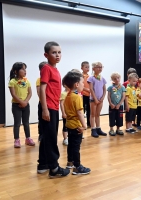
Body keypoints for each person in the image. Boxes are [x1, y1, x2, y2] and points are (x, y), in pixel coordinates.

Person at [37, 41, 70, 178]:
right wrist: (45, 109)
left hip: (53, 106)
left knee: (46, 137)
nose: (57, 55)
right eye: (54, 52)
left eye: (59, 52)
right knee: (51, 138)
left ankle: (43, 164)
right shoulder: (46, 68)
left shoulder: (55, 69)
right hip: (49, 107)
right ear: (46, 54)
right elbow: (42, 89)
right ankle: (54, 169)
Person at [62, 71, 91, 175]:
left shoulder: (68, 96)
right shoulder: (77, 97)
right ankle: (77, 167)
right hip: (76, 126)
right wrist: (84, 125)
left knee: (71, 145)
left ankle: (70, 162)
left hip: (69, 124)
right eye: (83, 82)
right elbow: (79, 112)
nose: (84, 84)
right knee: (76, 147)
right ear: (76, 84)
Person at [8, 62, 35, 148]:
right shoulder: (12, 81)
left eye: (25, 69)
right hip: (16, 106)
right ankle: (17, 139)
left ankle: (28, 138)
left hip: (26, 105)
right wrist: (21, 102)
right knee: (17, 123)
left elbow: (30, 93)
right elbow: (13, 94)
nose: (25, 71)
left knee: (26, 123)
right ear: (16, 71)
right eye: (23, 69)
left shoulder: (27, 81)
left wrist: (25, 102)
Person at [87, 62, 107, 138]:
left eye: (101, 67)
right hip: (93, 99)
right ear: (93, 69)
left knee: (98, 114)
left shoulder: (102, 78)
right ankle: (93, 129)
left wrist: (102, 97)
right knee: (92, 114)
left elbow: (104, 89)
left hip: (100, 100)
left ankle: (98, 128)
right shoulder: (91, 78)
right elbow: (91, 89)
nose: (100, 68)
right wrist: (95, 99)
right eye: (98, 67)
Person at [36, 61, 48, 142]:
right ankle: (41, 134)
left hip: (51, 103)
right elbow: (39, 92)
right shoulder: (39, 80)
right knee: (41, 119)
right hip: (43, 103)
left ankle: (48, 135)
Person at [81, 61, 91, 128]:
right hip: (83, 95)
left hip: (89, 95)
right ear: (82, 68)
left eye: (88, 67)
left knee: (89, 109)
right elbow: (80, 86)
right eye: (86, 67)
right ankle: (82, 123)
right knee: (82, 109)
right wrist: (86, 89)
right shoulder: (81, 76)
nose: (87, 68)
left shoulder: (89, 76)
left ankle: (89, 123)